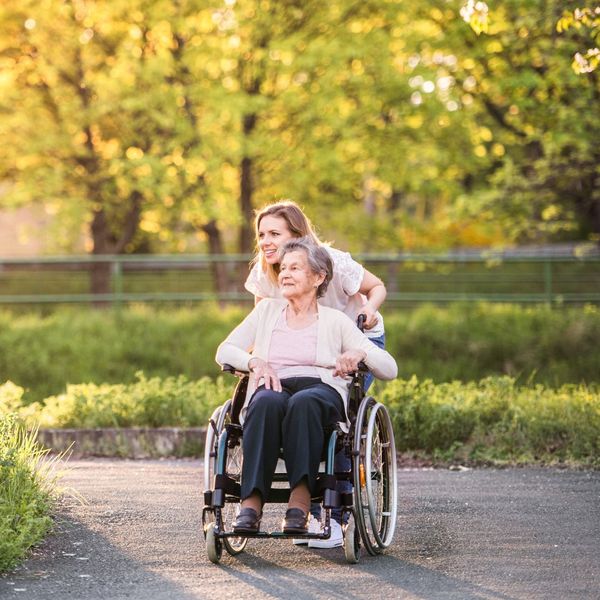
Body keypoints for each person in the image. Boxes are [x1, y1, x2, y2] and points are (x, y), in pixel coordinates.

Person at [215, 238, 397, 538]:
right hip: (274, 384)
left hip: (320, 390)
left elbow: (390, 368)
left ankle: (299, 501)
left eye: (295, 268)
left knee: (305, 402)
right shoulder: (267, 312)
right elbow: (224, 350)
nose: (285, 273)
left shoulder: (336, 321)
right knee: (264, 403)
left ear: (318, 277)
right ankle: (251, 502)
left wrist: (361, 353)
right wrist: (254, 362)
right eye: (283, 268)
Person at [244, 200, 387, 547]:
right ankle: (260, 502)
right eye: (261, 234)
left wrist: (367, 309)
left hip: (354, 338)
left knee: (335, 419)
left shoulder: (331, 261)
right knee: (273, 401)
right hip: (302, 349)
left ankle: (335, 517)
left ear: (297, 234)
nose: (265, 241)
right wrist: (256, 362)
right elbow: (263, 325)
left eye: (274, 233)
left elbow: (377, 286)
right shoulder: (266, 270)